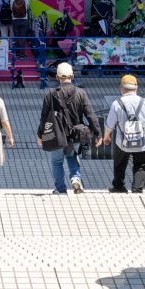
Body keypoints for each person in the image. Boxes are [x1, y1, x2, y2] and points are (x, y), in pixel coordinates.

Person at [36, 62, 100, 194]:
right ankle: (76, 178)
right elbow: (90, 115)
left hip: (56, 135)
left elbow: (44, 118)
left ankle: (60, 189)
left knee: (57, 162)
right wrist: (97, 133)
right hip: (76, 134)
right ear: (72, 75)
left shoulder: (50, 95)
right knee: (72, 157)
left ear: (57, 77)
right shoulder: (81, 93)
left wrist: (40, 135)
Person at [103, 74, 145, 194]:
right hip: (142, 141)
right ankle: (137, 188)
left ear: (122, 88)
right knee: (141, 165)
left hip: (122, 142)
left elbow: (110, 124)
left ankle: (119, 187)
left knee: (119, 164)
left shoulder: (117, 103)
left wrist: (106, 136)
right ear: (136, 88)